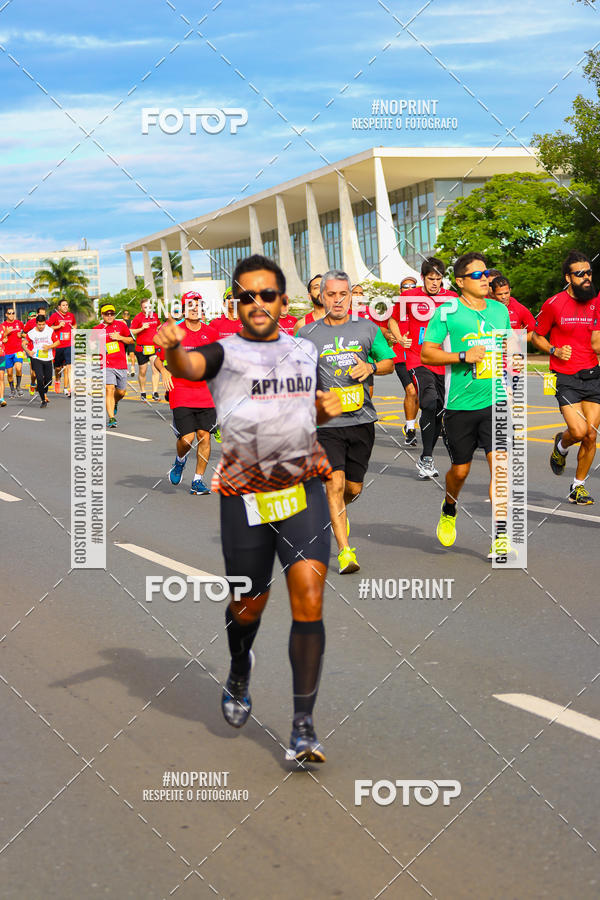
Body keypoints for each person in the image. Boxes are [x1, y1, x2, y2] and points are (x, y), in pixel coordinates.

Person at [156, 253, 342, 764]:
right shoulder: (224, 351)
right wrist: (173, 349)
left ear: (283, 301)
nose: (257, 302)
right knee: (248, 605)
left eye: (267, 294)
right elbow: (189, 366)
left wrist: (323, 410)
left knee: (309, 598)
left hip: (301, 487)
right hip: (246, 494)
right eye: (246, 296)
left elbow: (310, 409)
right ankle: (240, 668)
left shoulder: (305, 350)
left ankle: (303, 726)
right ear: (236, 304)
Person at [299, 270, 394, 574]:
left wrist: (371, 367)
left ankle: (336, 508)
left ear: (351, 296)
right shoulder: (307, 334)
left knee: (352, 488)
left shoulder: (367, 328)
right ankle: (345, 552)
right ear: (321, 297)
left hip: (361, 420)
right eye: (331, 294)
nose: (338, 300)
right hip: (326, 424)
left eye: (343, 294)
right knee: (334, 484)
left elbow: (389, 362)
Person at [420, 252, 512, 558]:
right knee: (460, 472)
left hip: (495, 400)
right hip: (460, 404)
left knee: (500, 468)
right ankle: (449, 506)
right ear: (460, 282)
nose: (485, 279)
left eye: (486, 274)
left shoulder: (499, 310)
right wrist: (463, 356)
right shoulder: (447, 312)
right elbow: (427, 353)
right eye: (477, 275)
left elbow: (506, 350)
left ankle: (501, 537)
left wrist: (511, 383)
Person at [533, 250, 600, 504]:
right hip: (564, 375)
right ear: (568, 278)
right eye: (580, 274)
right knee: (578, 431)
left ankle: (577, 486)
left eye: (589, 272)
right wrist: (554, 350)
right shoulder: (553, 304)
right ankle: (561, 444)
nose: (586, 277)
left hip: (593, 374)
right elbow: (537, 335)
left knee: (591, 435)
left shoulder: (596, 301)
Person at [388, 258, 457, 478]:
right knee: (428, 402)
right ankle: (427, 459)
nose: (435, 283)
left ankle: (426, 455)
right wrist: (400, 338)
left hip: (444, 361)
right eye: (431, 279)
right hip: (418, 359)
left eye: (438, 279)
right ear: (422, 277)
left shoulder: (452, 298)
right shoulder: (409, 297)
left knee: (439, 411)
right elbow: (392, 320)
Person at [154, 295, 218, 495]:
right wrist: (164, 371)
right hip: (181, 390)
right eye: (190, 305)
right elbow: (158, 359)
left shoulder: (211, 333)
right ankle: (180, 460)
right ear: (183, 310)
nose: (195, 309)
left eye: (198, 305)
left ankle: (197, 481)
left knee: (205, 437)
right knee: (187, 439)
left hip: (206, 392)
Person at [387, 276, 419, 445]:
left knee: (418, 393)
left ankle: (410, 423)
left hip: (419, 356)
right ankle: (411, 430)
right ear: (400, 291)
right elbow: (384, 326)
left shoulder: (422, 308)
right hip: (401, 357)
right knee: (411, 391)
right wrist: (393, 336)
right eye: (406, 286)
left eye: (413, 286)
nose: (409, 289)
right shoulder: (396, 309)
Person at [93, 303, 134, 428]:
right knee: (109, 389)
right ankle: (111, 418)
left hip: (121, 364)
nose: (110, 316)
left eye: (112, 313)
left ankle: (115, 402)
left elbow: (131, 340)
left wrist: (119, 337)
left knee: (121, 392)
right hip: (106, 364)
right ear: (102, 315)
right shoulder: (96, 329)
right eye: (107, 314)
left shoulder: (121, 325)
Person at [21, 316, 59, 407]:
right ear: (36, 323)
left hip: (48, 358)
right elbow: (23, 344)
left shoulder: (50, 331)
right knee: (39, 378)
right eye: (39, 325)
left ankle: (43, 391)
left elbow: (58, 342)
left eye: (43, 324)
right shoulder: (31, 333)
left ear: (45, 323)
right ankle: (43, 400)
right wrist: (28, 351)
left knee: (49, 380)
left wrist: (49, 347)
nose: (41, 326)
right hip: (36, 358)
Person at [130, 298, 161, 400]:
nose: (148, 309)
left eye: (149, 306)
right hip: (142, 348)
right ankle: (143, 392)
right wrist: (142, 328)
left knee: (155, 369)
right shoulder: (138, 318)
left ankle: (155, 392)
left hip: (154, 347)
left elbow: (159, 326)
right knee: (142, 372)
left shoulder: (155, 315)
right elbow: (131, 331)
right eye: (145, 307)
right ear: (141, 308)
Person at [490, 276, 535, 340]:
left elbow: (535, 333)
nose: (504, 297)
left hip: (515, 346)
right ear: (493, 294)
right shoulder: (487, 308)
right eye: (499, 294)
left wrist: (519, 338)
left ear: (510, 290)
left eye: (506, 293)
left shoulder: (519, 308)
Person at [47, 298, 77, 396]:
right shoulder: (55, 316)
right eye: (63, 305)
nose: (65, 307)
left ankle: (70, 389)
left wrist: (74, 328)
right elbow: (48, 327)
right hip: (58, 345)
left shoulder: (71, 315)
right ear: (59, 307)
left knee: (69, 367)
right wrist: (58, 326)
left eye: (66, 305)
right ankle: (57, 380)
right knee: (57, 368)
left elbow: (75, 324)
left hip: (69, 344)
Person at [1, 308, 25, 397]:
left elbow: (26, 333)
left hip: (18, 350)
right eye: (9, 313)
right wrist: (6, 333)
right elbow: (1, 338)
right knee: (10, 373)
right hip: (7, 352)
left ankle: (18, 386)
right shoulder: (3, 325)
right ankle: (12, 389)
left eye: (13, 313)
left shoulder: (19, 323)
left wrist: (21, 335)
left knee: (18, 368)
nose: (11, 315)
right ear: (6, 315)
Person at [23, 308, 47, 394]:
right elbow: (23, 333)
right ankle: (33, 383)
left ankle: (42, 390)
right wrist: (30, 337)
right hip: (31, 350)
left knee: (43, 372)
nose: (33, 317)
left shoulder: (43, 323)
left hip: (42, 350)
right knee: (33, 372)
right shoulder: (29, 323)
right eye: (31, 316)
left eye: (34, 315)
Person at [121, 310, 137, 376]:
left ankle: (127, 370)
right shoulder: (132, 322)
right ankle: (132, 369)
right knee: (132, 354)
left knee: (124, 355)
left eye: (126, 314)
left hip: (125, 339)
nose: (126, 315)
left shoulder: (121, 322)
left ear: (122, 315)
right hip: (129, 339)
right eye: (126, 314)